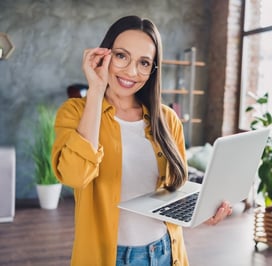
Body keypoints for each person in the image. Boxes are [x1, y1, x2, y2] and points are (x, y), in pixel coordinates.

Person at [51, 15, 232, 266]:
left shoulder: (167, 119)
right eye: (122, 56)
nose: (131, 72)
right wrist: (95, 90)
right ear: (104, 55)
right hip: (110, 257)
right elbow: (74, 176)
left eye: (144, 62)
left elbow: (176, 188)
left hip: (166, 252)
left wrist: (202, 210)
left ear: (153, 69)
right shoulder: (75, 112)